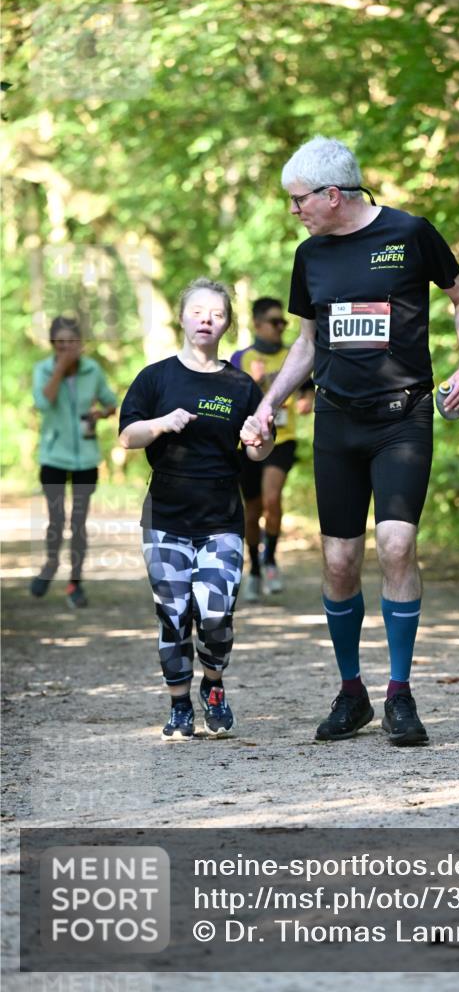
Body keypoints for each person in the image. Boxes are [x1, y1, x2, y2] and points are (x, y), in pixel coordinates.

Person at [244, 137, 459, 747]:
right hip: (336, 421)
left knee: (397, 546)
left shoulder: (410, 233)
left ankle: (400, 694)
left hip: (403, 416)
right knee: (339, 561)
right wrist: (268, 405)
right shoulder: (309, 257)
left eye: (299, 200)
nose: (293, 209)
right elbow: (306, 343)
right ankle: (353, 694)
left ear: (333, 194)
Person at [118, 278, 274, 742]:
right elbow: (127, 436)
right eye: (198, 311)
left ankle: (214, 685)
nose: (207, 319)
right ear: (182, 318)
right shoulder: (156, 378)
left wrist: (259, 442)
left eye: (217, 313)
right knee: (173, 613)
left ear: (227, 323)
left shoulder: (240, 384)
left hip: (223, 519)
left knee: (214, 613)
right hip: (165, 517)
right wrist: (162, 424)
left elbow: (258, 452)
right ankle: (179, 705)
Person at [31, 316, 117, 608]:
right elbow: (43, 403)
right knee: (56, 520)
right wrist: (60, 369)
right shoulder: (43, 370)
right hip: (53, 456)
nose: (67, 347)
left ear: (80, 343)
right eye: (60, 342)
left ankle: (75, 583)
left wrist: (101, 414)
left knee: (78, 523)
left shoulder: (93, 370)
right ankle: (50, 564)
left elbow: (111, 402)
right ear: (53, 344)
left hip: (86, 458)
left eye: (72, 342)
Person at [231, 297, 314, 600]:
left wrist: (306, 402)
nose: (281, 327)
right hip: (248, 442)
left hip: (282, 439)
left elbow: (307, 393)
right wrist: (250, 383)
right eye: (274, 322)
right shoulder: (240, 358)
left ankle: (271, 561)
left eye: (284, 322)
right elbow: (229, 400)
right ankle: (253, 567)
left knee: (271, 498)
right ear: (257, 324)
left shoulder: (296, 355)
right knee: (251, 512)